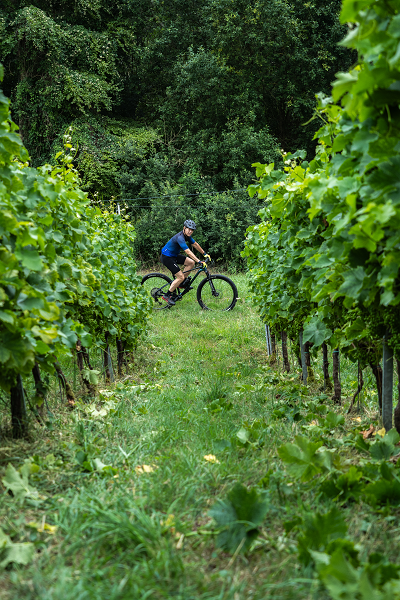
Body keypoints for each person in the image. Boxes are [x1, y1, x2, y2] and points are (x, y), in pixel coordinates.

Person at [160, 220, 211, 306]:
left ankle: (181, 284)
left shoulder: (187, 236)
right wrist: (199, 261)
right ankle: (167, 295)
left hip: (174, 255)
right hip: (167, 257)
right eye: (189, 229)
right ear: (184, 228)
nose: (190, 231)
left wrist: (205, 254)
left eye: (192, 230)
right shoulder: (180, 237)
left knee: (191, 263)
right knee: (180, 276)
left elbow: (195, 244)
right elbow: (188, 251)